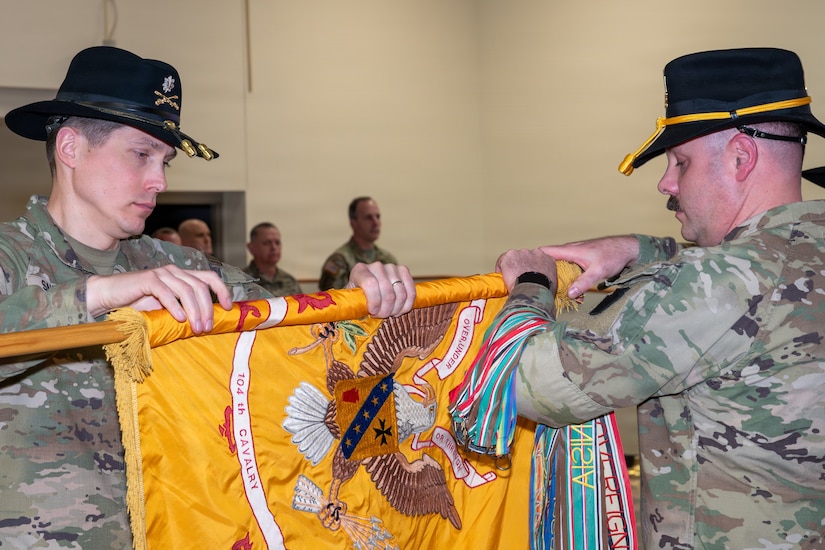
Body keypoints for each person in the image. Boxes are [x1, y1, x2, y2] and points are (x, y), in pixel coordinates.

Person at [0, 46, 415, 547]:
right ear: (70, 148)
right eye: (141, 155)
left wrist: (357, 303)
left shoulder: (182, 269)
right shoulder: (12, 258)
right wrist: (101, 294)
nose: (159, 182)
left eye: (166, 162)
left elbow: (299, 343)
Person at [492, 48, 825, 548]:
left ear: (740, 157)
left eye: (681, 162)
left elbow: (522, 384)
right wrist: (643, 250)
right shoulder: (801, 251)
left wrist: (532, 287)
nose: (665, 183)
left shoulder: (715, 284)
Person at [318, 196, 398, 290]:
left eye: (378, 216)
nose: (376, 222)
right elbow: (333, 300)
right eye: (368, 217)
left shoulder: (388, 259)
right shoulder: (339, 261)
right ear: (353, 223)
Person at [243, 222, 303, 297]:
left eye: (277, 243)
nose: (274, 248)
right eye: (266, 243)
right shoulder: (240, 283)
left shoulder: (290, 281)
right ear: (251, 248)